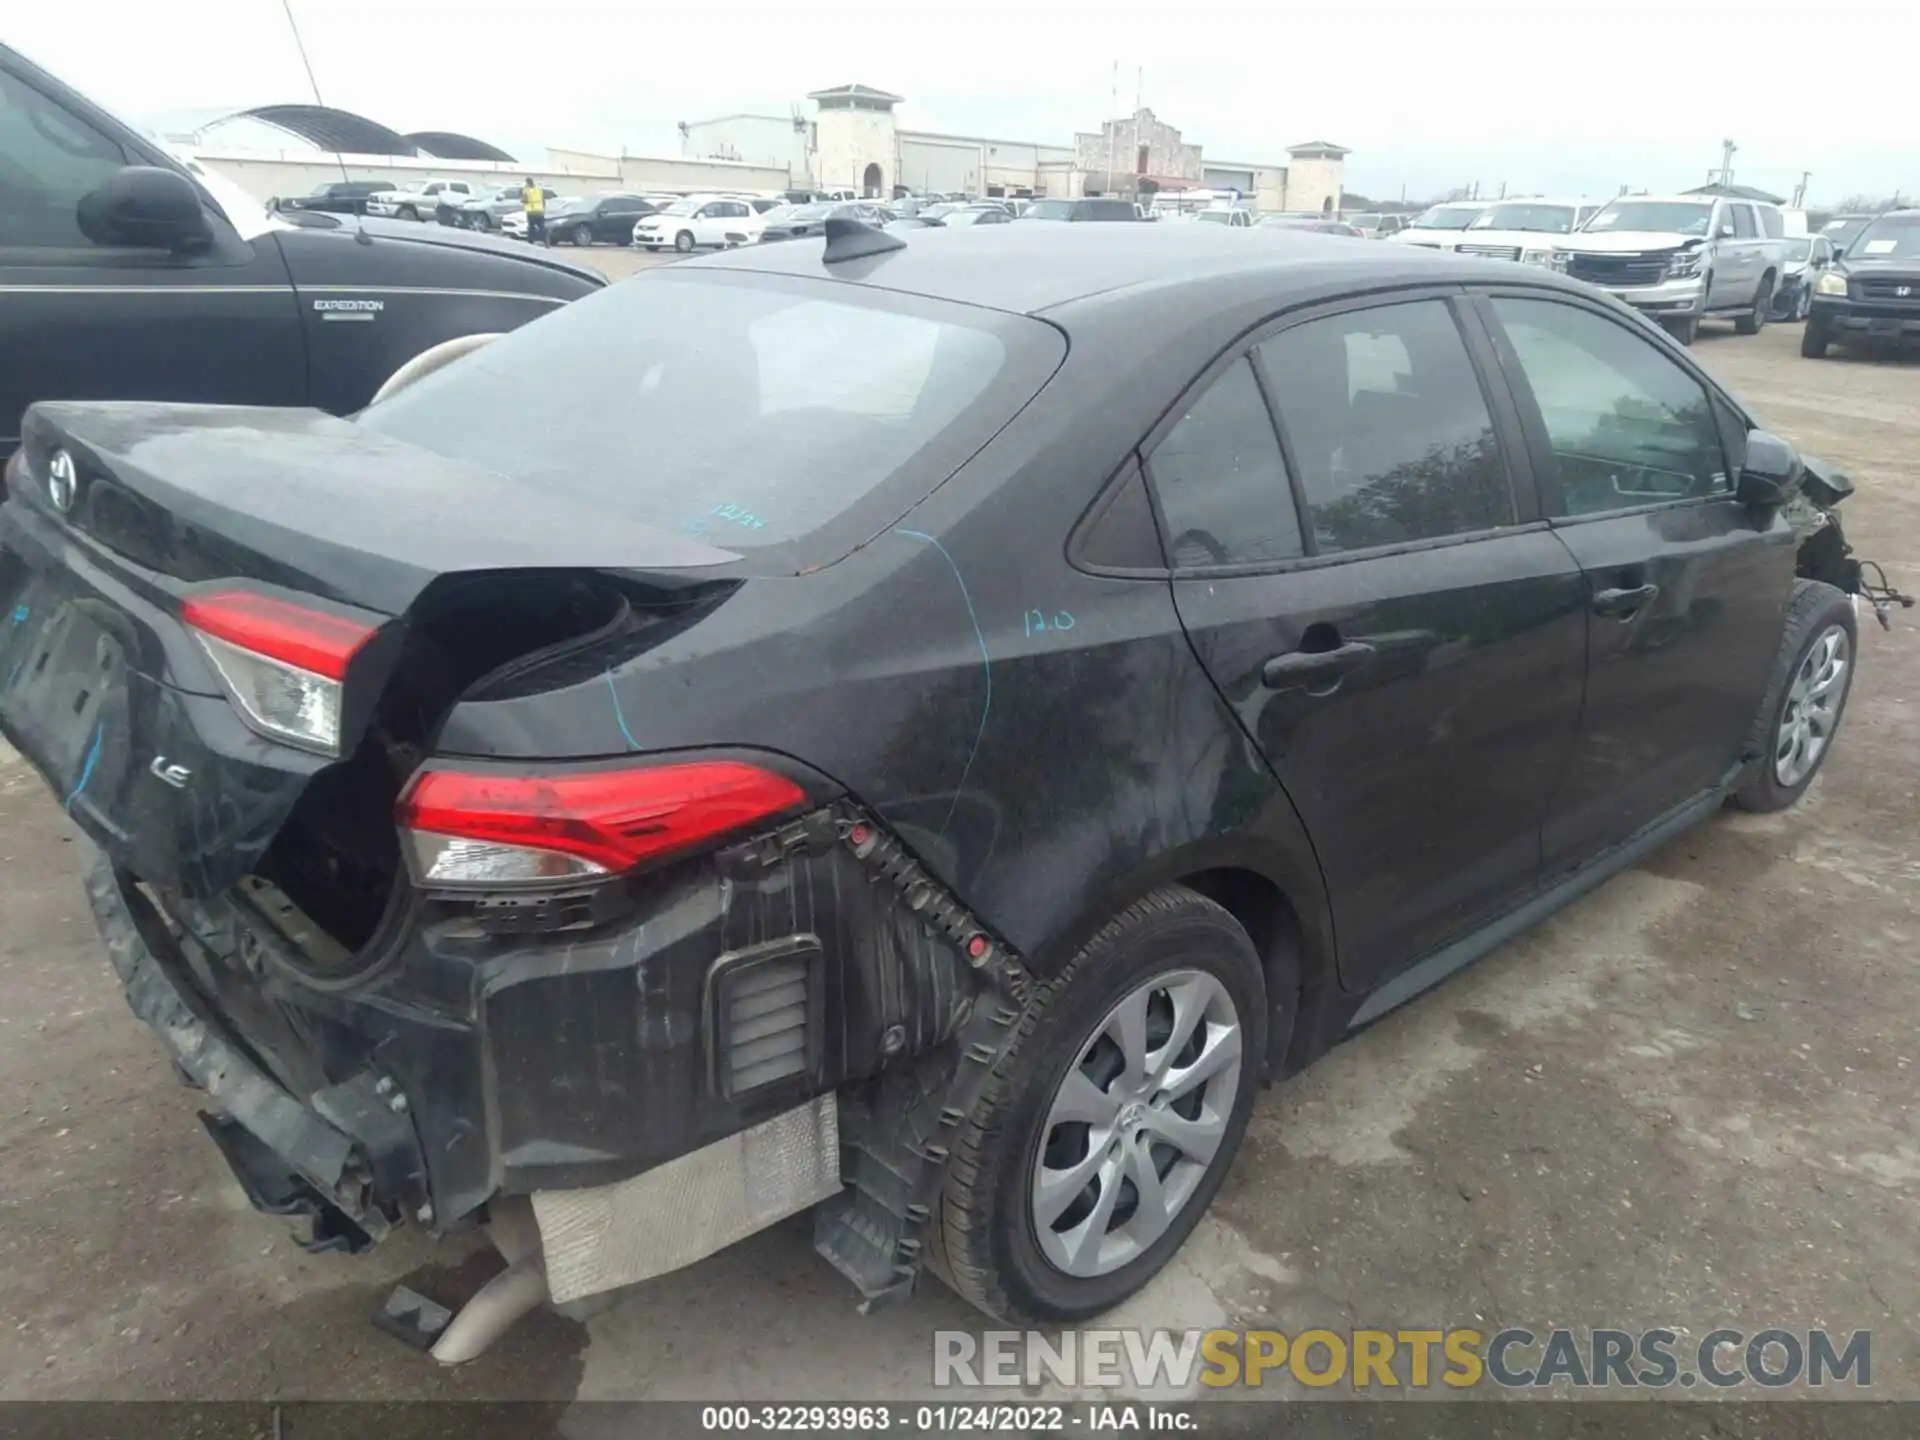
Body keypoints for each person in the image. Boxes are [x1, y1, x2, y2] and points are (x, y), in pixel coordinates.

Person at [521, 178, 547, 244]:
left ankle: (531, 240)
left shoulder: (526, 190)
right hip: (540, 211)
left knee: (531, 226)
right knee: (542, 226)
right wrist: (543, 209)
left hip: (531, 212)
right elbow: (543, 199)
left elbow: (525, 200)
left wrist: (522, 201)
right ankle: (545, 238)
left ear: (527, 182)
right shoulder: (539, 189)